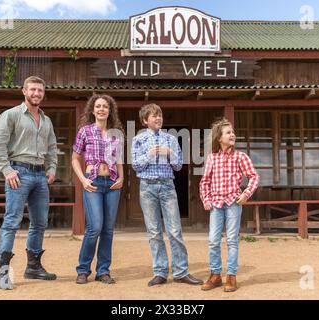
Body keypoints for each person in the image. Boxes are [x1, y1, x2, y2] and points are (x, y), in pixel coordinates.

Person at [0, 76, 58, 290]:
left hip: (40, 176)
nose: (37, 93)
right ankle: (2, 274)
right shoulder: (10, 115)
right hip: (18, 172)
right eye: (33, 90)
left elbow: (52, 148)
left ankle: (33, 267)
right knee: (12, 221)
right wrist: (7, 169)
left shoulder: (46, 121)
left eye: (40, 90)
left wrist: (52, 169)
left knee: (40, 222)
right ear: (24, 91)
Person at [131, 103, 203, 287]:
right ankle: (160, 272)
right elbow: (136, 166)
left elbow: (179, 166)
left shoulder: (171, 139)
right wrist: (148, 155)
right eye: (154, 116)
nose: (158, 118)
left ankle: (181, 272)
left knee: (175, 231)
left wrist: (170, 153)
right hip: (147, 188)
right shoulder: (138, 140)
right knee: (154, 232)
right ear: (145, 120)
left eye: (160, 115)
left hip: (167, 187)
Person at [199, 118, 259, 292]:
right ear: (219, 138)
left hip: (233, 203)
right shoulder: (212, 158)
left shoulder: (241, 157)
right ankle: (215, 275)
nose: (232, 134)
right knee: (213, 241)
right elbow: (205, 181)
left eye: (233, 132)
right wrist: (206, 199)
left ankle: (231, 276)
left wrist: (246, 194)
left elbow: (254, 176)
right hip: (216, 204)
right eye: (228, 132)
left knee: (232, 240)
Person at [72, 94, 124, 285]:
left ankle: (103, 271)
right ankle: (83, 269)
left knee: (108, 230)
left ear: (110, 111)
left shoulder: (115, 133)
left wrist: (122, 177)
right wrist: (83, 180)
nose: (102, 109)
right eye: (98, 106)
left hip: (111, 184)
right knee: (95, 227)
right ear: (92, 110)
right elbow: (74, 159)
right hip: (92, 182)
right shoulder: (85, 131)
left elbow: (118, 159)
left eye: (105, 107)